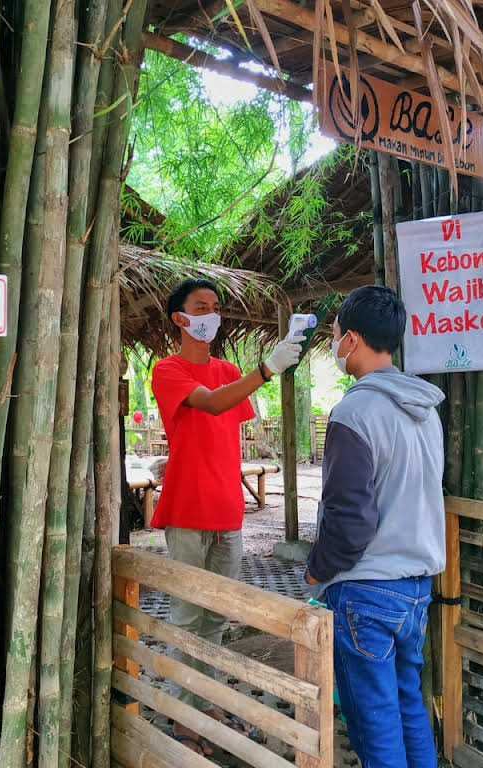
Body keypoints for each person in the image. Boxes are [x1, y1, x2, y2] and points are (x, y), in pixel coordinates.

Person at [150, 278, 302, 755]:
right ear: (180, 318)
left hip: (227, 512)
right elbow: (213, 404)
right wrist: (267, 367)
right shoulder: (168, 369)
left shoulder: (228, 369)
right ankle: (181, 717)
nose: (211, 315)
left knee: (216, 618)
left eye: (215, 307)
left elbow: (230, 413)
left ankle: (208, 704)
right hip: (187, 510)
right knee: (186, 616)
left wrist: (255, 372)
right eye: (201, 307)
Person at [305, 285, 445, 768]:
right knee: (409, 709)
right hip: (415, 588)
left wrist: (315, 569)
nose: (335, 342)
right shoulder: (426, 412)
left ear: (354, 339)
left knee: (374, 723)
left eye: (337, 333)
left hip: (366, 590)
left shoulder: (354, 412)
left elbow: (349, 519)